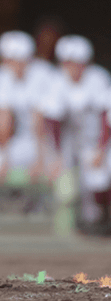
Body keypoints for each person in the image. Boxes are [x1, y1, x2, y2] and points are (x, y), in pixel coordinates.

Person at [37, 35, 111, 234]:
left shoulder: (99, 78)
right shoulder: (57, 80)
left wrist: (101, 151)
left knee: (99, 177)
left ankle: (102, 222)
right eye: (67, 62)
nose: (71, 67)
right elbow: (51, 121)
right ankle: (79, 225)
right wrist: (57, 155)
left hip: (101, 138)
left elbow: (107, 118)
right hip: (72, 138)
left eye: (76, 63)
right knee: (64, 179)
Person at [0, 30, 56, 211]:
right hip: (27, 139)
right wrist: (4, 158)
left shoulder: (43, 73)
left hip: (53, 141)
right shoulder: (2, 74)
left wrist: (39, 160)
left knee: (51, 176)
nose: (8, 63)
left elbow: (41, 121)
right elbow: (2, 118)